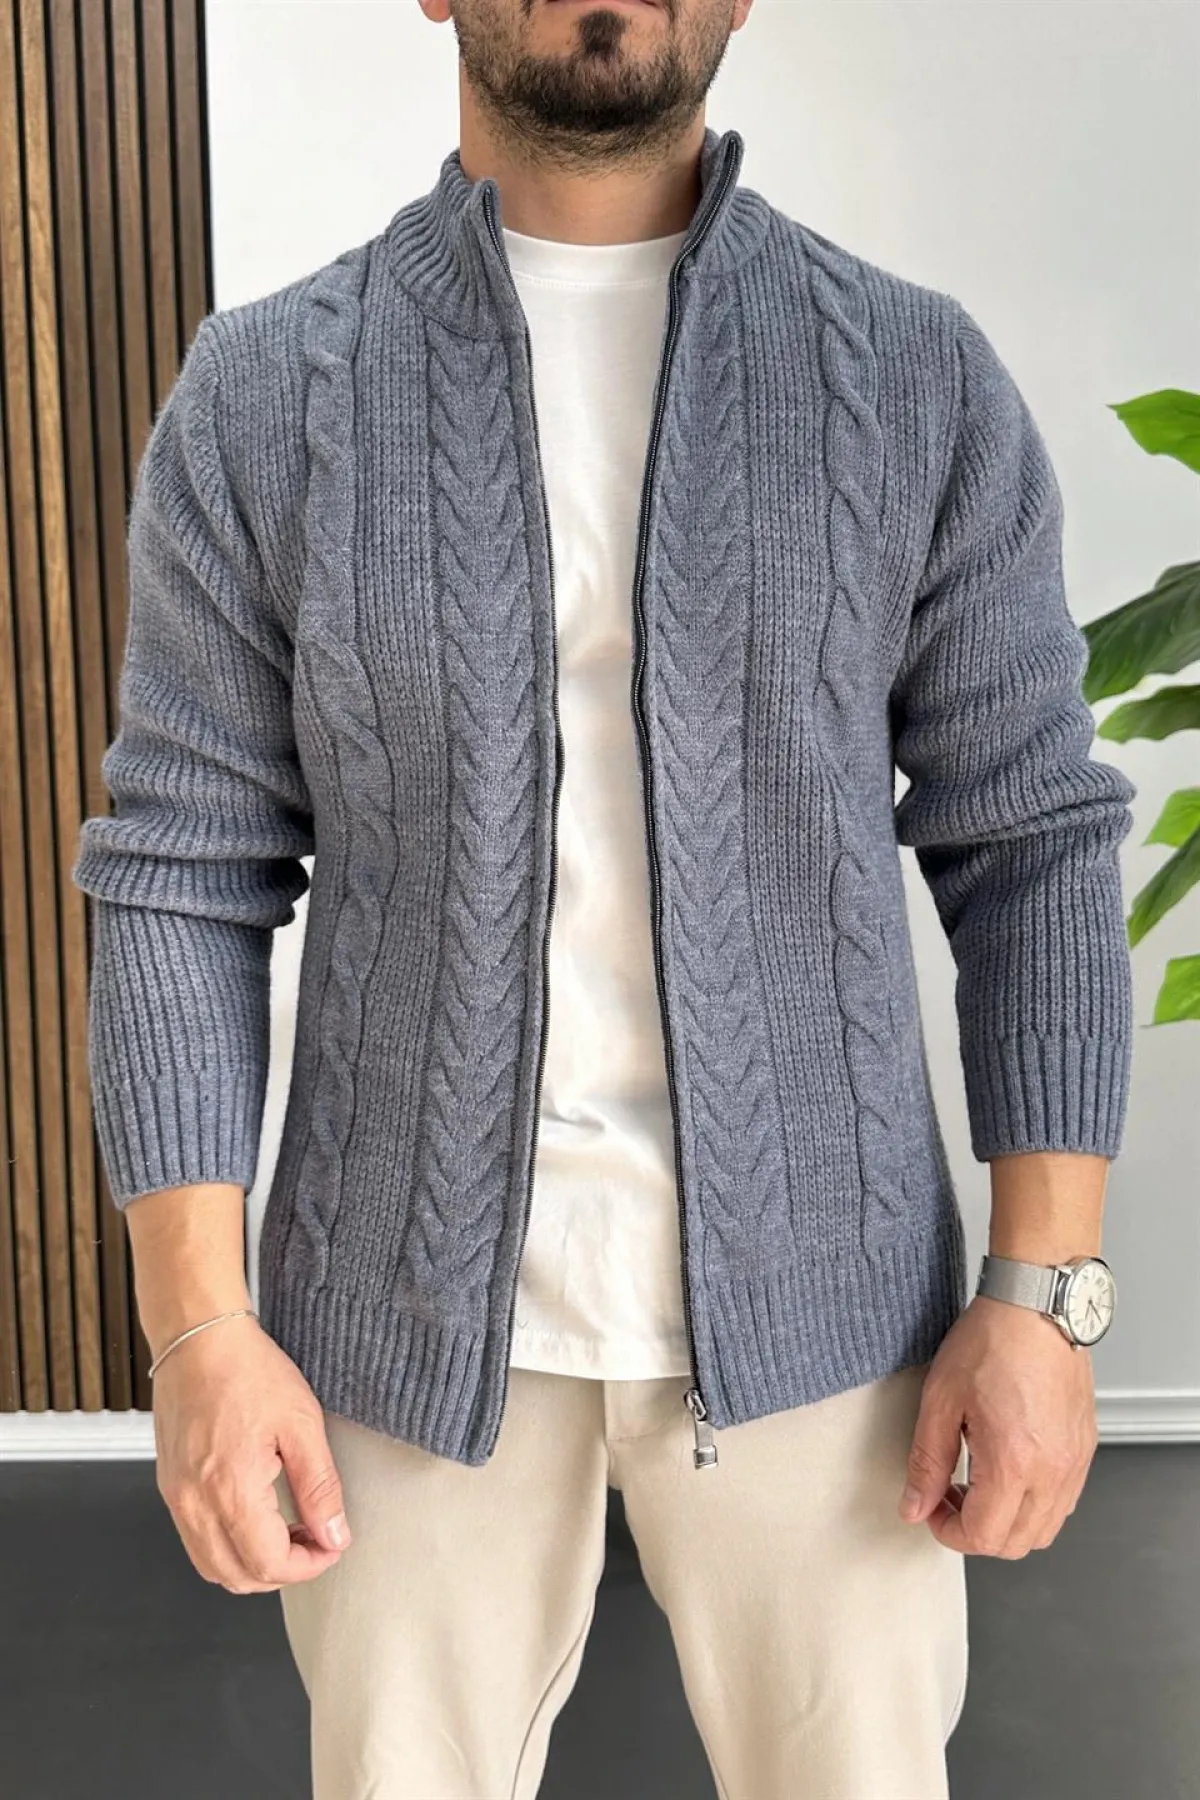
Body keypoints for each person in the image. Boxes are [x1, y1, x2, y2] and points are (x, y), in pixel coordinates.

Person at [71, 0, 1136, 1794]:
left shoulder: (913, 380)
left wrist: (1042, 1293)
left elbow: (1028, 843)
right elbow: (179, 873)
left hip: (836, 1321)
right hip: (392, 1334)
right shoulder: (261, 398)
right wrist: (200, 1326)